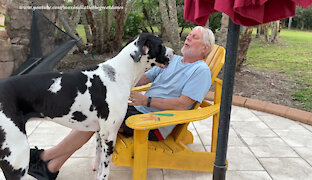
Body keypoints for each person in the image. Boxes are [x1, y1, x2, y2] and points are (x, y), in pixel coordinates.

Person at [28, 26, 215, 180]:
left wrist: (147, 100)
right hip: (138, 110)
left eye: (194, 37)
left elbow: (183, 105)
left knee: (96, 117)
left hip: (154, 121)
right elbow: (142, 78)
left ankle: (46, 158)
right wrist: (114, 77)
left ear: (205, 48)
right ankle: (51, 166)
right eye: (189, 34)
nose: (188, 38)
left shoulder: (200, 71)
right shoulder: (173, 61)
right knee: (95, 113)